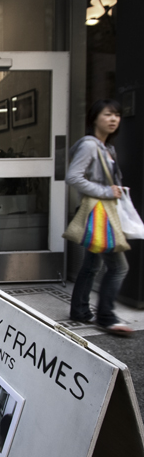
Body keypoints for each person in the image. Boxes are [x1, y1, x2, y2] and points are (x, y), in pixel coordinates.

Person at [66, 99, 133, 335]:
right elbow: (73, 176)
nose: (114, 119)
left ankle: (80, 311)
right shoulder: (89, 145)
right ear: (94, 118)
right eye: (108, 114)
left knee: (92, 265)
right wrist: (106, 191)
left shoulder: (107, 148)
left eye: (117, 115)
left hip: (103, 212)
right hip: (98, 214)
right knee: (119, 267)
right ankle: (106, 317)